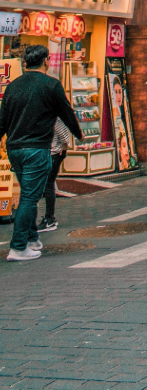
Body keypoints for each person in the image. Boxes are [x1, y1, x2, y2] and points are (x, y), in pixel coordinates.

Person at [0, 46, 83, 261]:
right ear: (46, 60)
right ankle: (18, 247)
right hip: (37, 148)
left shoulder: (13, 87)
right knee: (29, 197)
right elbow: (67, 113)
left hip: (15, 148)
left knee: (28, 193)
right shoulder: (51, 85)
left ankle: (32, 238)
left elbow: (2, 121)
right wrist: (78, 134)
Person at [37, 118, 72, 233]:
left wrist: (63, 148)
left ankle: (50, 219)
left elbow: (64, 136)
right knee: (48, 184)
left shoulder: (55, 117)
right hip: (52, 153)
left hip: (53, 154)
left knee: (48, 184)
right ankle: (50, 218)